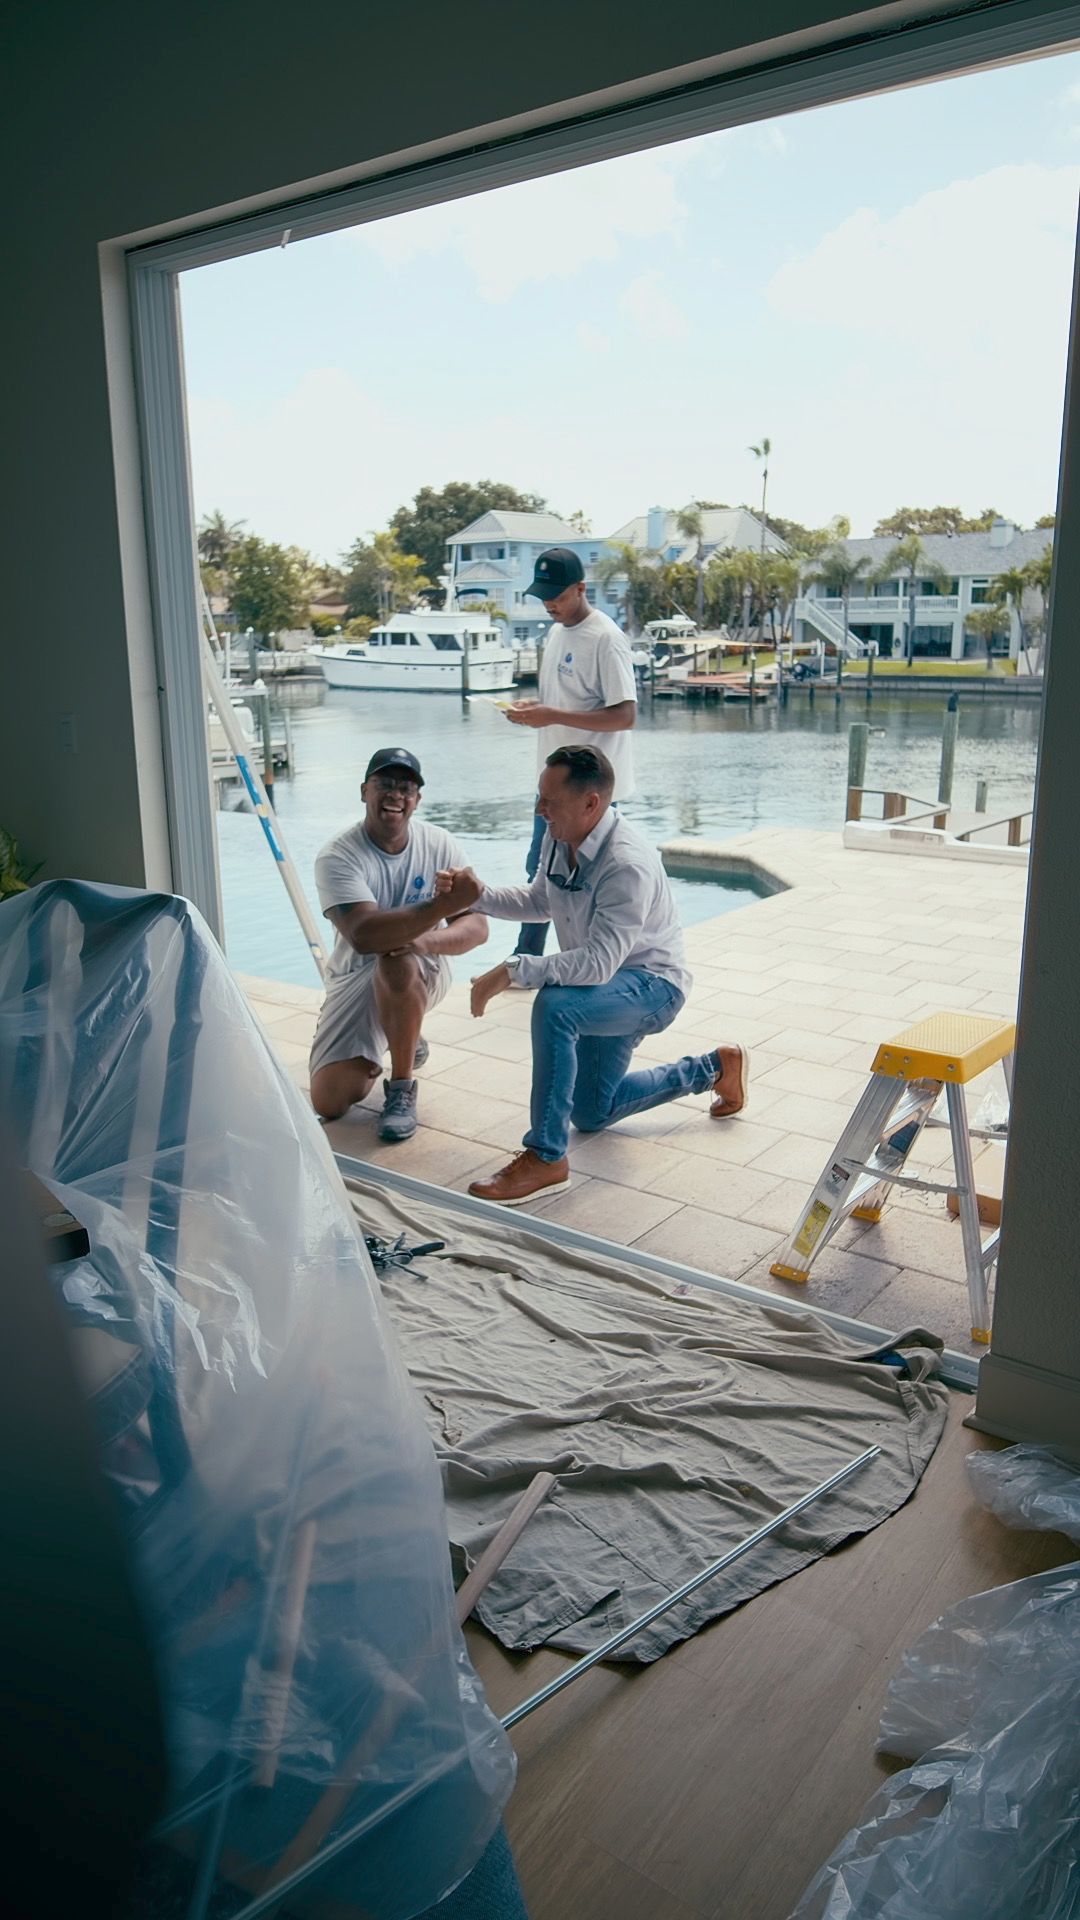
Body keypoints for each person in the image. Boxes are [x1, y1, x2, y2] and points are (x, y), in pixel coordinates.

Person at [465, 745, 749, 1205]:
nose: (539, 810)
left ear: (590, 803)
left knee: (555, 1007)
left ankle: (546, 1157)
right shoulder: (560, 835)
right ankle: (714, 1069)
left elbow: (598, 962)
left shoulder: (626, 863)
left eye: (549, 801)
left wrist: (514, 969)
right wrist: (476, 896)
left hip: (653, 986)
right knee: (592, 1111)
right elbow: (540, 901)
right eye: (540, 798)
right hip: (605, 986)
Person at [309, 747, 486, 1140]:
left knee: (398, 959)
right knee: (330, 1101)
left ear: (417, 799)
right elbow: (364, 935)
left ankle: (402, 1087)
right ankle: (404, 1032)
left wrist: (424, 942)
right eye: (384, 784)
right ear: (364, 791)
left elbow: (477, 928)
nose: (395, 795)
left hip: (422, 967)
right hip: (356, 974)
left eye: (406, 788)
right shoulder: (338, 856)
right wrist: (441, 905)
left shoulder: (440, 844)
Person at [503, 546, 637, 961]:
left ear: (581, 588)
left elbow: (626, 715)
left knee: (591, 879)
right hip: (553, 782)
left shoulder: (606, 639)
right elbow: (564, 702)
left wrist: (553, 715)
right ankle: (528, 956)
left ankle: (591, 959)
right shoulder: (557, 632)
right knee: (540, 870)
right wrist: (535, 709)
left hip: (588, 790)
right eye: (543, 597)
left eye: (557, 596)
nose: (550, 605)